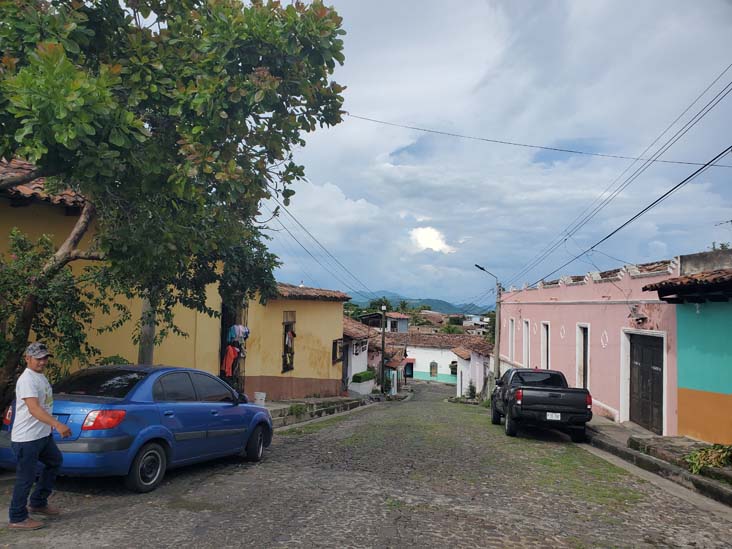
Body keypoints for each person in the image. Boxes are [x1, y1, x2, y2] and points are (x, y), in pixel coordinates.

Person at [7, 342, 71, 531]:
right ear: (28, 358)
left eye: (45, 358)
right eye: (38, 358)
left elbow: (43, 403)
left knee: (54, 462)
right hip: (27, 438)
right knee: (25, 478)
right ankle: (17, 517)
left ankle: (38, 502)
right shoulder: (27, 380)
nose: (42, 362)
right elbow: (34, 409)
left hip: (41, 435)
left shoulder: (40, 377)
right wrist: (57, 424)